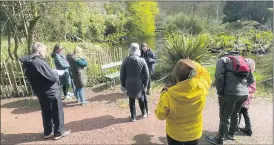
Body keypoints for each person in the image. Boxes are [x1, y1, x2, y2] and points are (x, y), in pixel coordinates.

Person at [19, 42, 71, 140]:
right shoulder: (39, 62)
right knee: (57, 112)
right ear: (39, 50)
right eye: (44, 50)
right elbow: (52, 77)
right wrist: (55, 73)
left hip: (40, 91)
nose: (45, 52)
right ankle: (58, 132)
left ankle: (47, 132)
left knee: (46, 112)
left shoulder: (27, 63)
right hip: (51, 91)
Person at [155, 59, 211, 145]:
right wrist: (191, 63)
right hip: (194, 133)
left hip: (175, 134)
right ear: (193, 72)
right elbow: (205, 73)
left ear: (176, 76)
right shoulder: (202, 86)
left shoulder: (168, 94)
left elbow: (160, 115)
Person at [206, 51, 255, 145]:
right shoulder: (243, 60)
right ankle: (231, 134)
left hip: (230, 94)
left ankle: (219, 139)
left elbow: (219, 77)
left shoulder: (223, 60)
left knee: (224, 116)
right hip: (244, 94)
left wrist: (220, 93)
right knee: (236, 113)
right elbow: (251, 79)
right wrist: (243, 88)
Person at [120, 43, 150, 122]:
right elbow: (147, 74)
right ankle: (144, 113)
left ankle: (133, 117)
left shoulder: (126, 60)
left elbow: (122, 74)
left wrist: (122, 85)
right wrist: (146, 85)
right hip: (139, 83)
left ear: (130, 50)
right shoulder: (142, 60)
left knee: (131, 100)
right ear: (138, 51)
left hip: (129, 83)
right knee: (141, 98)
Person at [238, 58, 256, 136]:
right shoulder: (244, 76)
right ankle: (248, 128)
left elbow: (252, 88)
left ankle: (247, 128)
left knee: (240, 112)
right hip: (244, 99)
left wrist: (244, 89)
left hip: (245, 99)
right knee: (243, 113)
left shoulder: (251, 78)